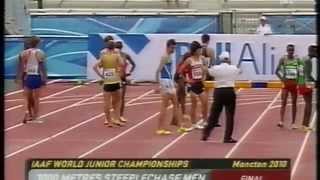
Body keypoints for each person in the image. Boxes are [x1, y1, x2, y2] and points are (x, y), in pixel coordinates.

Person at [202, 51, 240, 143]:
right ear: (228, 59)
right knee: (230, 116)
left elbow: (207, 71)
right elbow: (240, 70)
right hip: (230, 91)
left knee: (214, 115)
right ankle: (227, 137)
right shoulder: (233, 68)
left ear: (221, 60)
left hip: (219, 91)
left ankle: (206, 133)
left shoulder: (216, 68)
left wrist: (204, 63)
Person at [155, 39, 191, 135]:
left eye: (175, 48)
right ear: (168, 46)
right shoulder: (164, 57)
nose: (174, 49)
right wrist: (159, 85)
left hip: (169, 82)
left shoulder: (169, 57)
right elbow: (158, 71)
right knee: (164, 106)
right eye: (173, 48)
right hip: (165, 83)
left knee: (176, 104)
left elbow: (168, 71)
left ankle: (179, 126)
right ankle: (160, 128)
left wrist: (172, 82)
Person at [16, 36, 47, 123]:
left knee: (27, 98)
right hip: (36, 76)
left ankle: (27, 113)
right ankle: (35, 117)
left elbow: (20, 67)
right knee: (36, 98)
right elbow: (42, 66)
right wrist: (44, 77)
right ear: (37, 43)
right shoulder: (40, 52)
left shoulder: (23, 53)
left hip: (26, 76)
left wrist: (18, 77)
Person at [93, 40, 124, 127]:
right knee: (117, 101)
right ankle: (117, 119)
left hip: (107, 81)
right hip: (116, 81)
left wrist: (101, 76)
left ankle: (109, 121)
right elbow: (122, 64)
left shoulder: (103, 56)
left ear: (106, 47)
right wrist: (119, 70)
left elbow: (95, 67)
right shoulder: (117, 55)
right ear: (114, 47)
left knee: (107, 103)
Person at [178, 41, 208, 129]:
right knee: (194, 104)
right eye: (199, 49)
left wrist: (204, 76)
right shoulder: (189, 60)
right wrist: (186, 80)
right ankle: (194, 123)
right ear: (195, 51)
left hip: (200, 83)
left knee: (205, 103)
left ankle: (205, 121)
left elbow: (205, 69)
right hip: (193, 84)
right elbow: (180, 71)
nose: (201, 51)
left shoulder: (202, 59)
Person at [275, 44, 300, 129]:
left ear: (294, 51)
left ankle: (293, 123)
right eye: (289, 50)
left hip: (294, 84)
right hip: (286, 84)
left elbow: (300, 71)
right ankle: (281, 121)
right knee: (284, 102)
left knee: (294, 103)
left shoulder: (297, 59)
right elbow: (277, 71)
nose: (290, 52)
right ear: (287, 50)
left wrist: (299, 80)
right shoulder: (283, 59)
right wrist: (282, 79)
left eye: (292, 50)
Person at [115, 41, 136, 123]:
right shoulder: (113, 56)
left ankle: (120, 116)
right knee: (116, 98)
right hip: (115, 78)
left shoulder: (125, 55)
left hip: (122, 78)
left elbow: (133, 64)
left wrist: (129, 72)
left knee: (121, 98)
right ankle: (116, 116)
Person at [297, 44, 317, 132]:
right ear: (312, 51)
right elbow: (308, 75)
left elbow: (300, 72)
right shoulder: (309, 61)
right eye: (316, 52)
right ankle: (305, 125)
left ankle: (304, 125)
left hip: (301, 82)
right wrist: (315, 82)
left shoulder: (303, 58)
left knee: (307, 103)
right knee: (309, 104)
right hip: (306, 83)